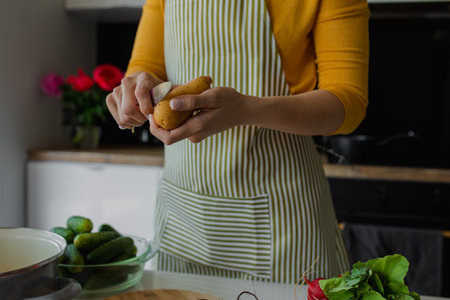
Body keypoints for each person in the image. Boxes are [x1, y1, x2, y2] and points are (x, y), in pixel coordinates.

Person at [106, 0, 369, 284]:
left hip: (283, 216)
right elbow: (146, 69)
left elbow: (347, 101)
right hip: (186, 217)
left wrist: (247, 110)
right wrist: (135, 90)